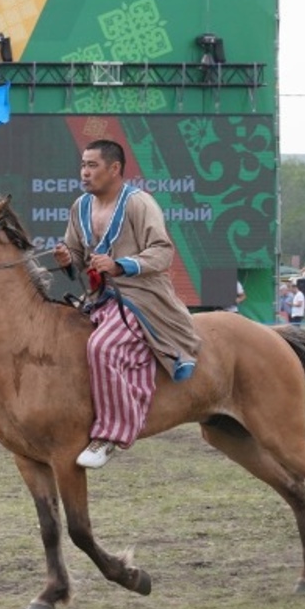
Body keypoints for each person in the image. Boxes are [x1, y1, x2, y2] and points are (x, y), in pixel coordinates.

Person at [52, 139, 201, 469]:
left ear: (115, 168)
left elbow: (162, 252)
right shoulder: (80, 206)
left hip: (141, 298)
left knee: (102, 347)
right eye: (83, 165)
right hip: (98, 298)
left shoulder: (139, 203)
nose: (85, 172)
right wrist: (66, 257)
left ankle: (111, 434)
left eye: (92, 165)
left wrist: (121, 266)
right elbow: (77, 256)